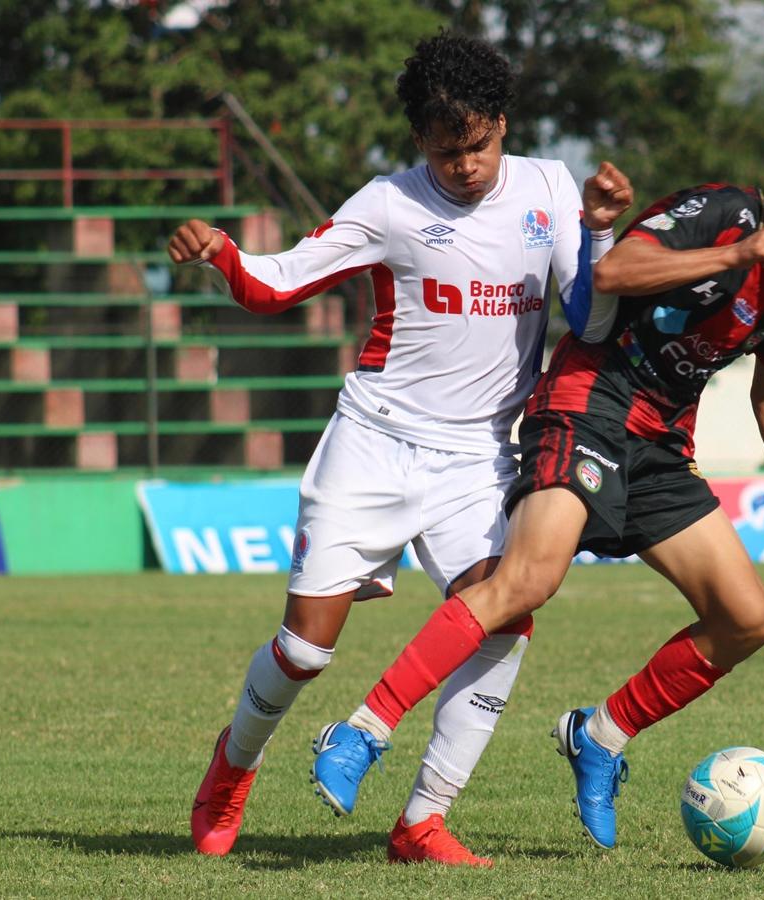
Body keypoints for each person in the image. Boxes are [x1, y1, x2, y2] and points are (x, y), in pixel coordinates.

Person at [312, 128, 764, 850]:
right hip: (588, 405)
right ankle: (363, 731)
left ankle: (600, 736)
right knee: (528, 580)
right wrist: (738, 252)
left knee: (746, 619)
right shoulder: (721, 214)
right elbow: (613, 273)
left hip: (661, 447)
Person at [167, 32, 632, 865]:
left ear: (502, 123)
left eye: (479, 144)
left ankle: (421, 822)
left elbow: (592, 323)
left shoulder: (549, 187)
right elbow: (280, 283)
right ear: (420, 138)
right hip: (374, 444)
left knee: (504, 620)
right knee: (306, 649)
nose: (466, 165)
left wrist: (598, 234)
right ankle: (232, 765)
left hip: (479, 458)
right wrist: (223, 253)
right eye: (447, 150)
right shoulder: (388, 203)